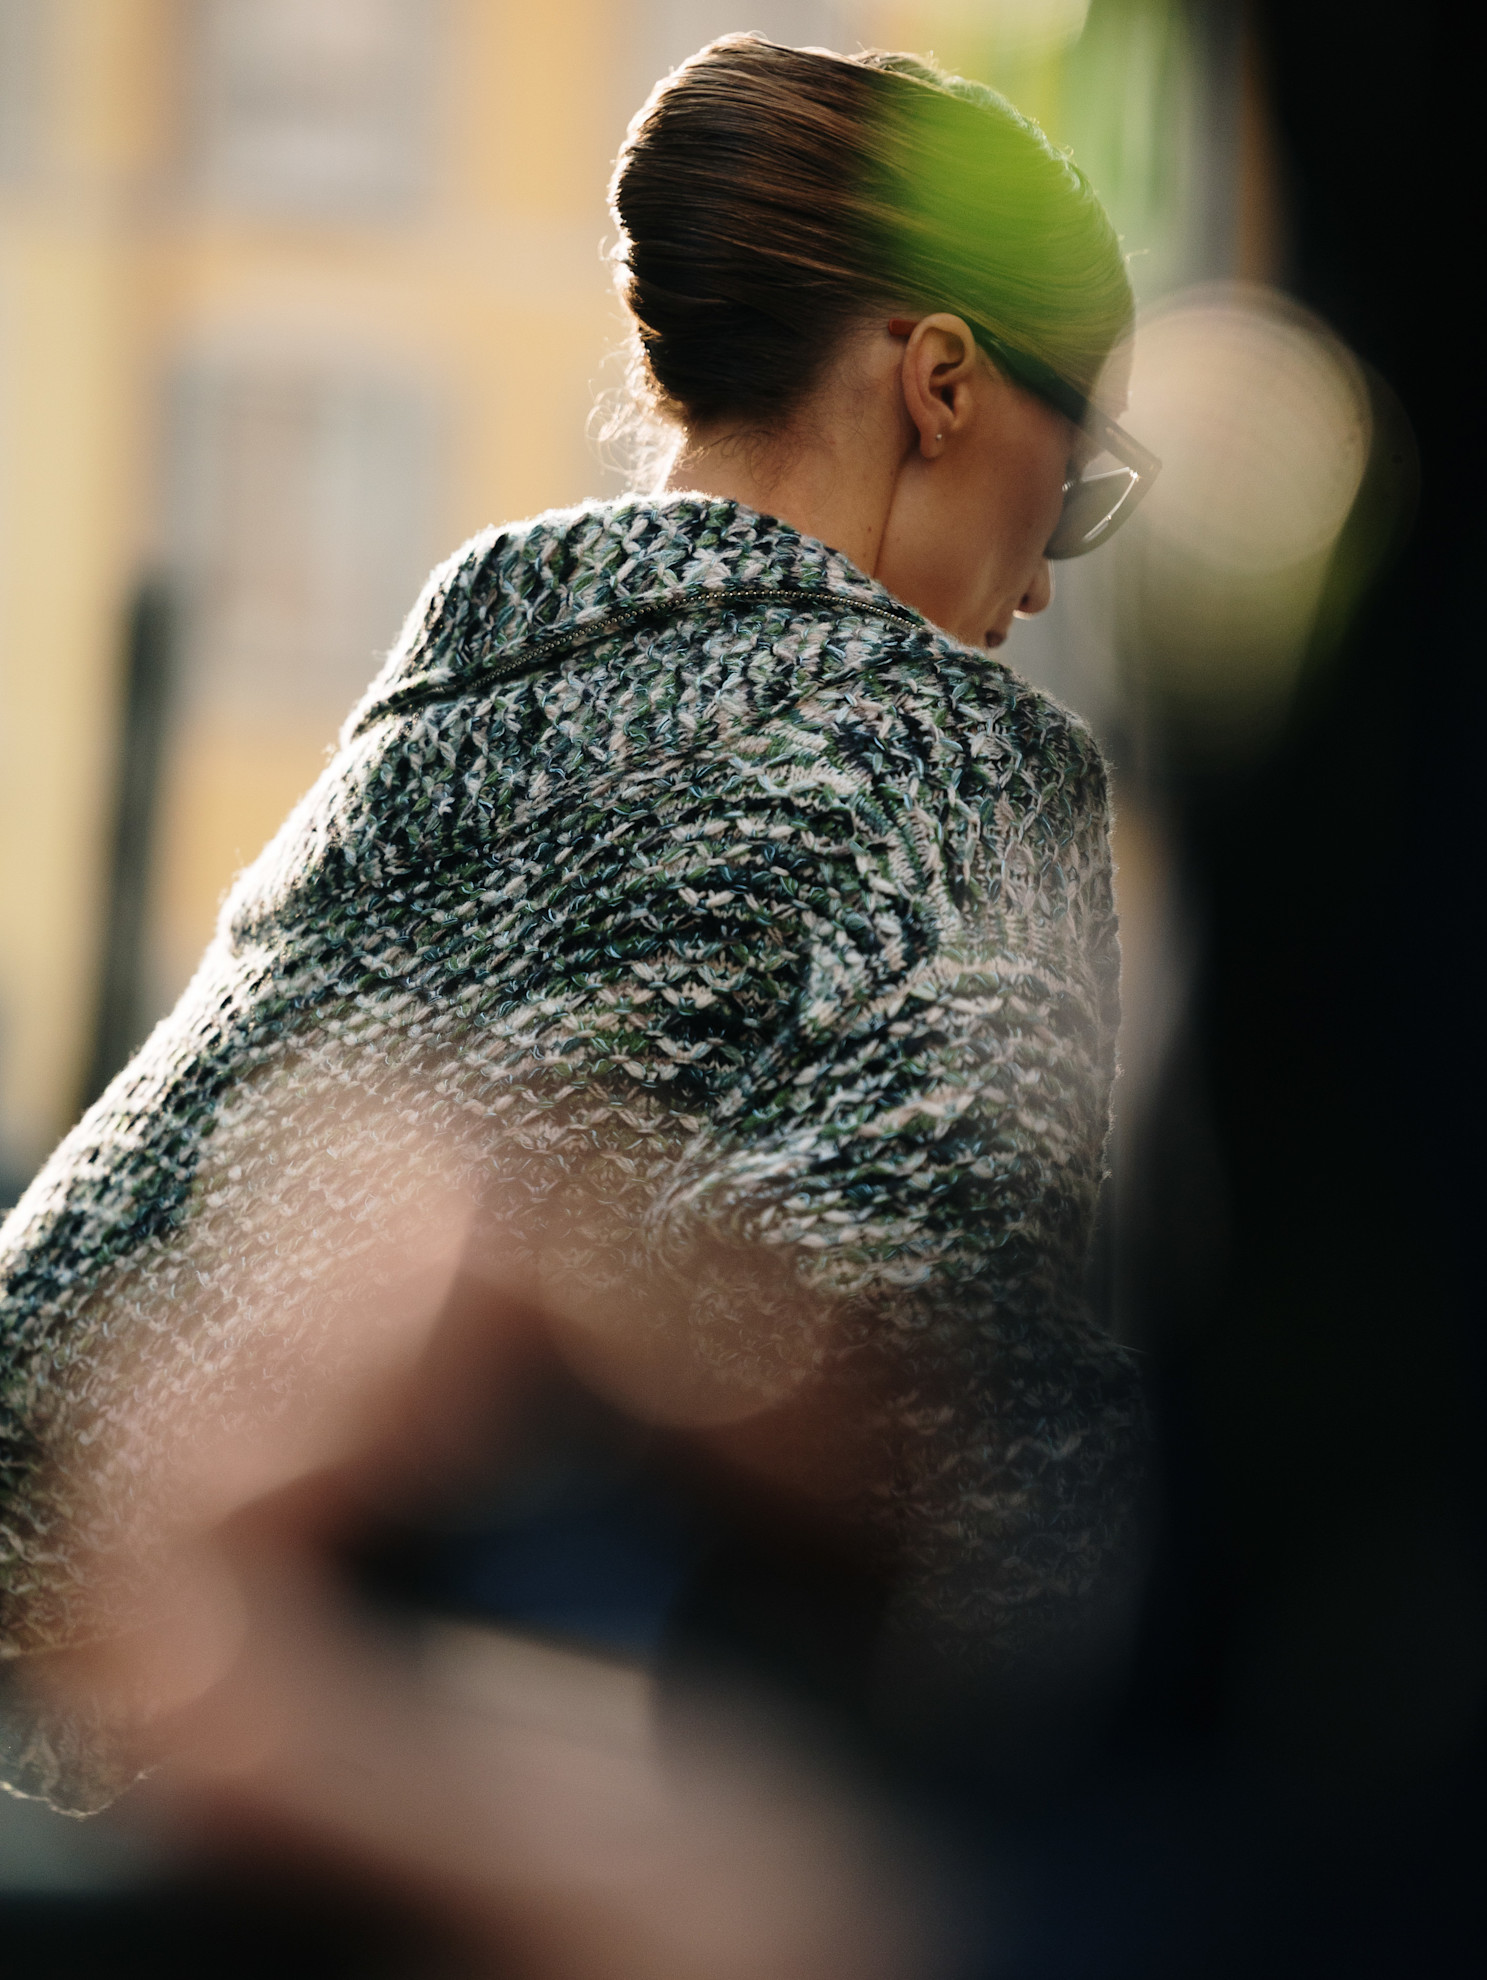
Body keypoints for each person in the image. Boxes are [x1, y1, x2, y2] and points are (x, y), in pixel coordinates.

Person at [0, 36, 1153, 1823]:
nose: (1051, 575)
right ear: (939, 380)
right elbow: (960, 1458)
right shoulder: (961, 765)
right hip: (335, 1808)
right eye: (1073, 490)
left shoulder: (440, 725)